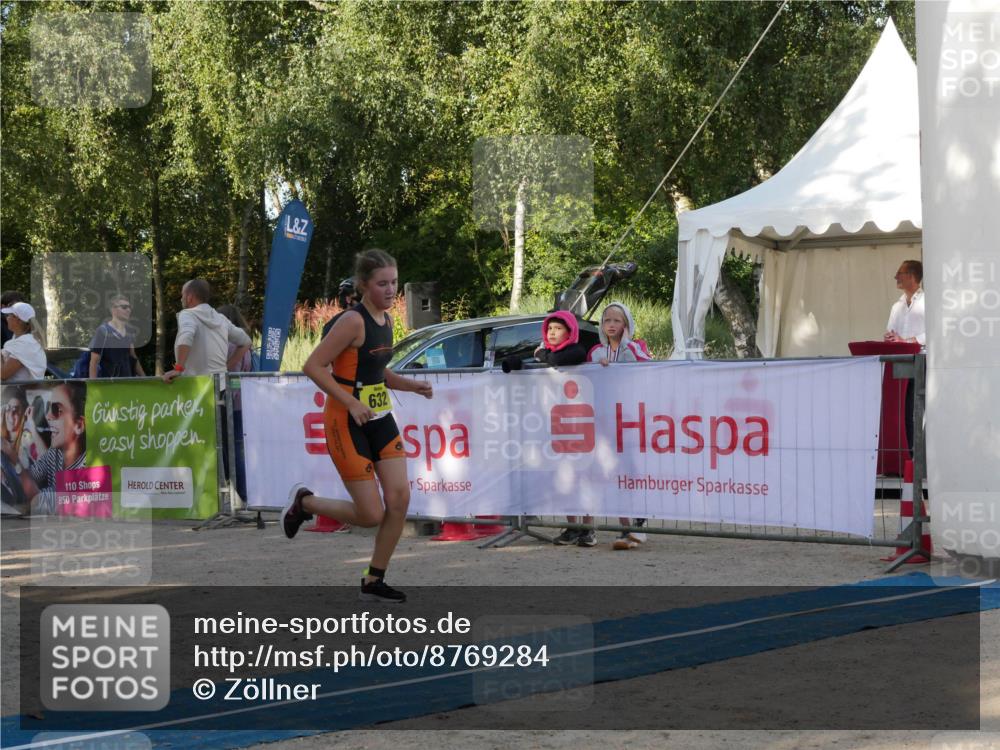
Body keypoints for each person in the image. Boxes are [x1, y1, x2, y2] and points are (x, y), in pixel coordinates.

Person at [280, 249, 433, 603]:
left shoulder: (387, 320)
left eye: (394, 282)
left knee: (400, 498)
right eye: (382, 283)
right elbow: (314, 366)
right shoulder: (353, 321)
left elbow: (376, 373)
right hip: (345, 420)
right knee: (370, 514)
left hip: (378, 418)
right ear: (364, 285)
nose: (390, 289)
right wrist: (350, 402)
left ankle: (373, 579)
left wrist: (412, 386)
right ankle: (306, 504)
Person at [587, 302, 653, 550]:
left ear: (626, 324)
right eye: (607, 321)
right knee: (611, 472)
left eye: (616, 320)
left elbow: (646, 365)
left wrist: (625, 346)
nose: (611, 325)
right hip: (603, 421)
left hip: (630, 419)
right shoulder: (595, 351)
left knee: (631, 470)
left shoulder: (636, 347)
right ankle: (627, 528)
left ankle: (638, 523)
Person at [530, 312, 596, 547]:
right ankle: (572, 526)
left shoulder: (576, 350)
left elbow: (560, 360)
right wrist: (542, 355)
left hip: (581, 421)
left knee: (584, 475)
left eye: (558, 328)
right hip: (556, 422)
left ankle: (588, 527)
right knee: (564, 476)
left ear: (570, 332)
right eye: (550, 329)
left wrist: (541, 354)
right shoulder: (549, 353)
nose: (553, 333)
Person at [1, 382, 86, 515]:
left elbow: (37, 501)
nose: (47, 416)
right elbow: (30, 477)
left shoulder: (87, 467)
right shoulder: (55, 452)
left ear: (79, 426)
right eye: (48, 409)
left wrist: (12, 458)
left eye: (56, 410)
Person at [162, 279, 252, 382]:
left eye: (182, 294)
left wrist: (178, 369)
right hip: (220, 384)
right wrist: (226, 368)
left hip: (196, 385)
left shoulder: (187, 314)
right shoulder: (221, 319)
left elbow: (186, 336)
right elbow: (246, 342)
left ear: (189, 297)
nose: (181, 298)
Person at [884, 260, 925, 453]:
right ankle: (909, 455)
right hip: (901, 366)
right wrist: (890, 338)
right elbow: (890, 332)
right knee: (905, 412)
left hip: (923, 363)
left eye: (900, 273)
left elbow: (934, 332)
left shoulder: (928, 302)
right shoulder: (896, 306)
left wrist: (907, 341)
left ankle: (920, 458)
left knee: (918, 411)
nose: (896, 277)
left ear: (912, 276)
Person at [218, 304, 254, 502]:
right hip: (241, 400)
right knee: (237, 448)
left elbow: (227, 369)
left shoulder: (232, 344)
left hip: (231, 400)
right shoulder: (245, 344)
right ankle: (242, 492)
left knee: (230, 448)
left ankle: (239, 493)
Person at [89, 295, 145, 378]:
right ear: (113, 310)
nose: (128, 310)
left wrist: (144, 378)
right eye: (124, 307)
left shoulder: (130, 331)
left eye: (129, 307)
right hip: (108, 385)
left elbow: (133, 357)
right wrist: (93, 386)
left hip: (127, 383)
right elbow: (94, 362)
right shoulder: (103, 331)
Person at [1, 302, 47, 382]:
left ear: (18, 320)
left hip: (21, 394)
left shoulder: (26, 343)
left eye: (9, 316)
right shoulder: (20, 340)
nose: (7, 318)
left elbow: (3, 374)